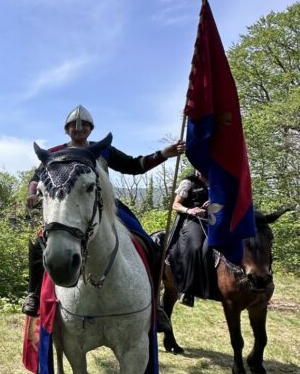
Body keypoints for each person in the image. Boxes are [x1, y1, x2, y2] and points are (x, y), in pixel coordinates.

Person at [22, 104, 185, 327]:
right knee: (41, 240)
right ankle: (33, 293)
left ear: (90, 129)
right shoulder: (56, 153)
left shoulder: (103, 150)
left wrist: (164, 154)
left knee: (148, 243)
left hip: (104, 206)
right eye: (73, 126)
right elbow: (36, 176)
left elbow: (134, 165)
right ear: (66, 129)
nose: (79, 129)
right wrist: (32, 194)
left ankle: (154, 303)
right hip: (66, 207)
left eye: (84, 126)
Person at [168, 169, 210, 306]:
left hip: (213, 219)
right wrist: (190, 210)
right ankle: (187, 290)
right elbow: (175, 204)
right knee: (195, 245)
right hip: (193, 220)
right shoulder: (188, 183)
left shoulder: (215, 181)